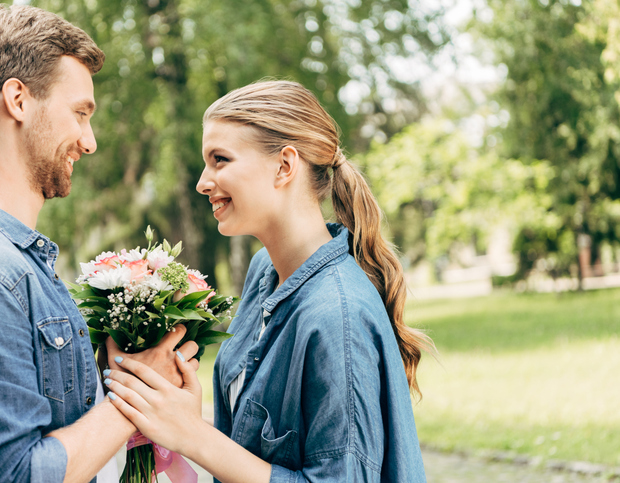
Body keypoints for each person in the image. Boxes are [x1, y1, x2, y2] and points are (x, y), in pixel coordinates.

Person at [0, 5, 198, 482]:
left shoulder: (17, 262)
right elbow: (15, 475)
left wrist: (110, 375)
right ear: (18, 100)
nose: (90, 141)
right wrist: (140, 394)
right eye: (80, 114)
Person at [103, 80, 433, 482]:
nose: (203, 182)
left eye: (220, 159)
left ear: (285, 166)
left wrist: (194, 436)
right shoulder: (265, 272)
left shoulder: (337, 317)